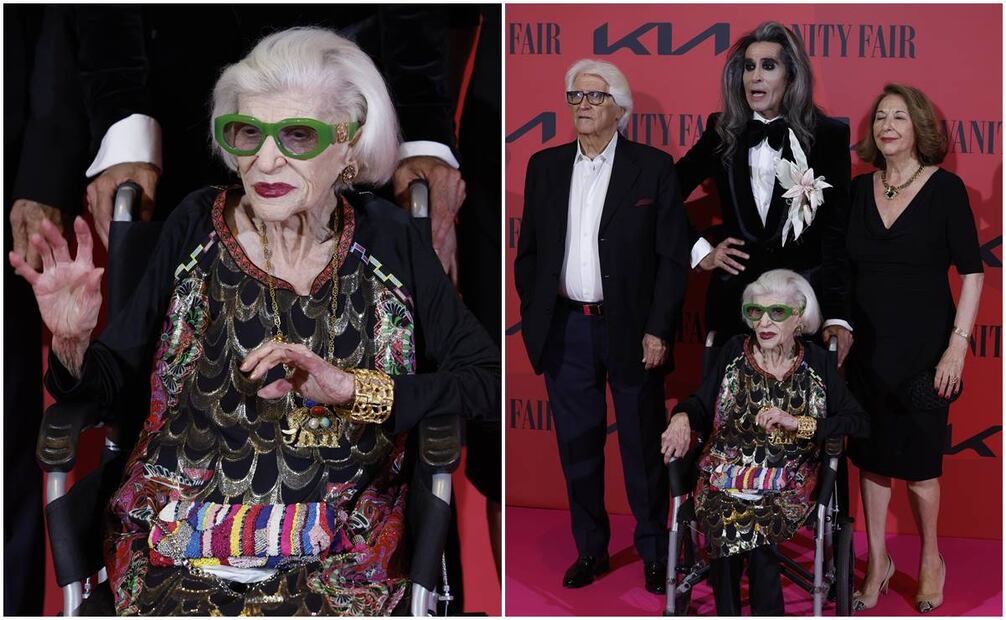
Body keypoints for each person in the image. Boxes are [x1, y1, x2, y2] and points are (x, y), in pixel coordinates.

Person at [9, 27, 499, 615]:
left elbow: (485, 380)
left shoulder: (389, 241)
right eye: (246, 133)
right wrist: (70, 341)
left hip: (340, 549)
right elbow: (108, 383)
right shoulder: (193, 224)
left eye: (296, 135)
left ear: (349, 146)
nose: (265, 159)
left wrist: (353, 390)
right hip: (178, 541)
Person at [514, 58, 689, 594]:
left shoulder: (653, 167)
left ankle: (655, 550)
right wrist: (536, 311)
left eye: (594, 96)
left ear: (620, 107)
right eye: (575, 97)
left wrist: (658, 329)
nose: (582, 105)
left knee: (641, 448)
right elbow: (530, 256)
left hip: (632, 333)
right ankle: (590, 549)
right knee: (578, 449)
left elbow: (672, 258)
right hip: (567, 331)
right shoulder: (543, 167)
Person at [845, 84, 984, 614]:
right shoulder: (859, 191)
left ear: (919, 127)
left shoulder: (945, 190)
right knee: (873, 458)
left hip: (927, 349)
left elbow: (971, 274)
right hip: (867, 350)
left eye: (899, 117)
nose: (887, 125)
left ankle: (930, 557)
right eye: (880, 116)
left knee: (922, 463)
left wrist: (957, 348)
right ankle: (878, 560)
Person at [661, 269, 869, 615]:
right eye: (755, 312)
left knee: (760, 522)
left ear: (799, 317)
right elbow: (699, 404)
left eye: (778, 312)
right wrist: (681, 417)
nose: (764, 322)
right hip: (726, 470)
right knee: (722, 513)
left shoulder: (817, 362)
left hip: (790, 475)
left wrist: (798, 423)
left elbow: (858, 421)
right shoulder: (732, 352)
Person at [675, 21, 854, 364]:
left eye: (768, 66)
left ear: (791, 76)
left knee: (800, 417)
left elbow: (835, 235)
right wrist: (700, 251)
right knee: (732, 412)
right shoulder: (721, 131)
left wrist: (836, 315)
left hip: (801, 307)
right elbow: (663, 190)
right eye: (748, 66)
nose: (755, 76)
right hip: (734, 306)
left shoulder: (827, 137)